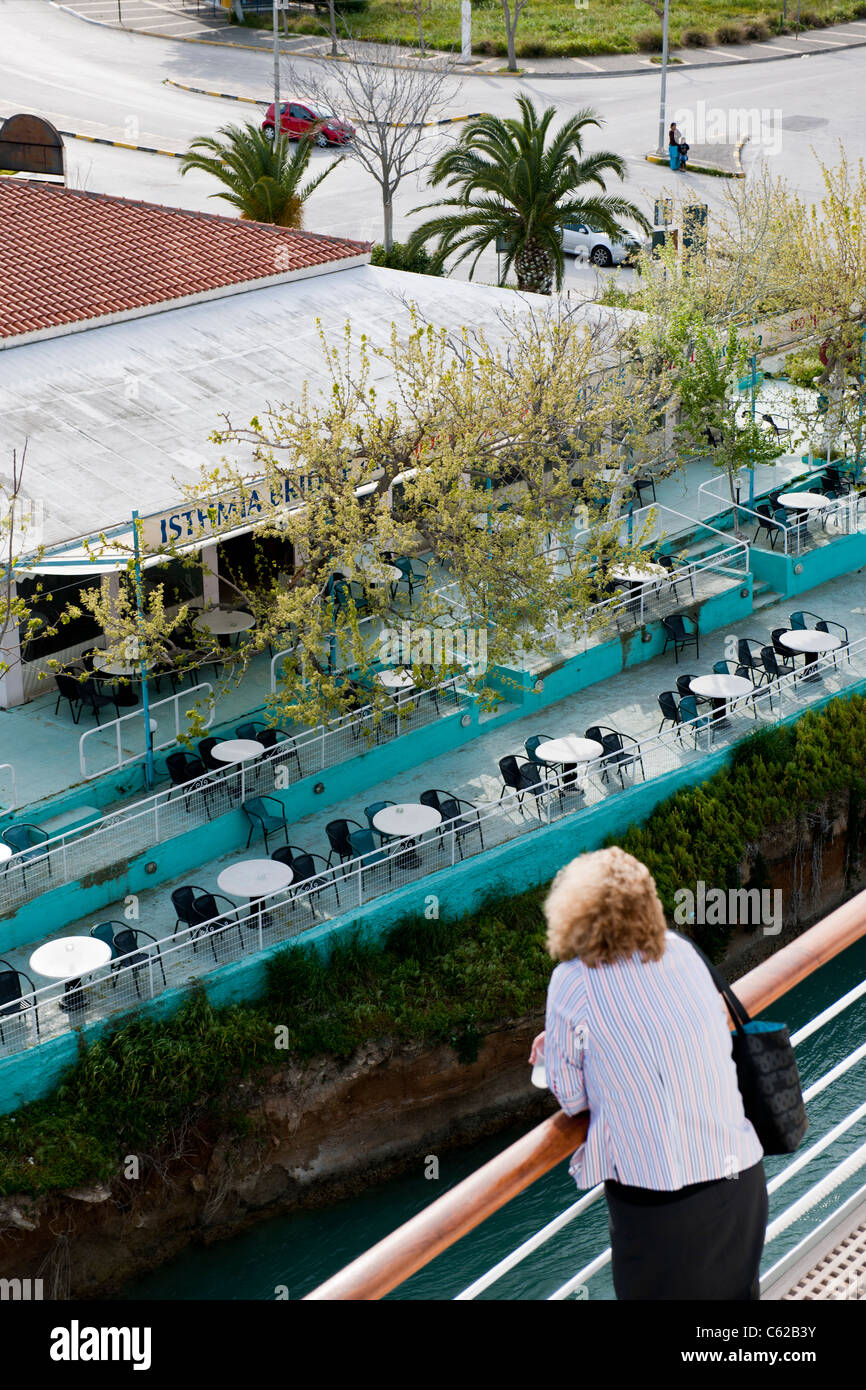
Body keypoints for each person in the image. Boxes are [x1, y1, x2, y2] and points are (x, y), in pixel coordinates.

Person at [529, 846, 767, 1301]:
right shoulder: (683, 951)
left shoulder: (573, 980)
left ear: (571, 913)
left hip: (662, 1201)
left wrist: (558, 1047)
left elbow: (572, 1097)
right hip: (740, 1179)